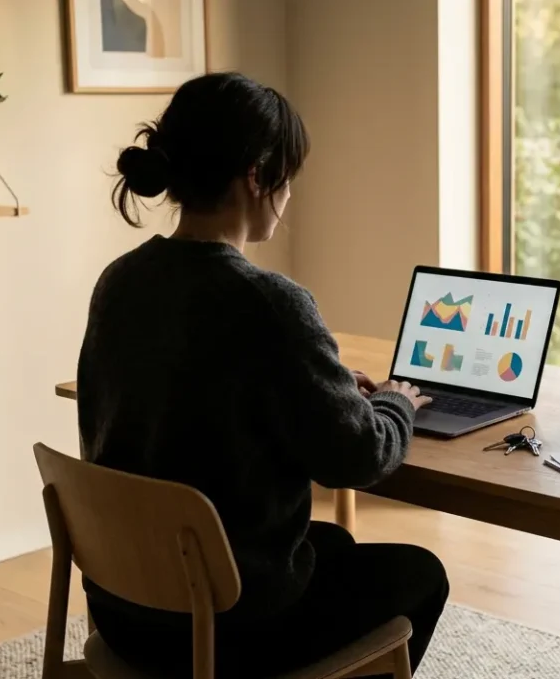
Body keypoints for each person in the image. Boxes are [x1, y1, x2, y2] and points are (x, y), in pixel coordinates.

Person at [76, 72, 448, 676]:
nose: (290, 193)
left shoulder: (120, 281)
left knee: (333, 545)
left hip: (125, 609)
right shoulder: (270, 303)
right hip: (220, 629)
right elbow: (357, 458)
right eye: (288, 177)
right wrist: (396, 403)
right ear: (256, 175)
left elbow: (202, 385)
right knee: (421, 573)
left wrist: (320, 381)